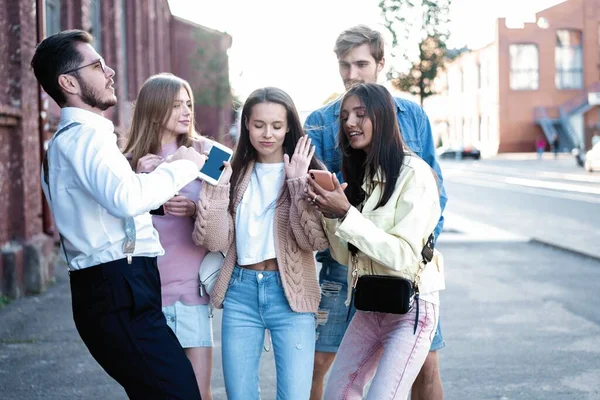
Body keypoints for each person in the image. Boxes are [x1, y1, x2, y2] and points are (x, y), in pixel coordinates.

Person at [31, 30, 205, 399]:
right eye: (96, 65)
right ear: (68, 82)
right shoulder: (84, 138)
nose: (109, 71)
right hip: (117, 286)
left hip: (118, 286)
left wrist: (155, 198)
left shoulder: (77, 139)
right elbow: (124, 199)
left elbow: (103, 207)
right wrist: (180, 166)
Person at [303, 25, 447, 400]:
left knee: (424, 366)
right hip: (344, 264)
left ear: (381, 64)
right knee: (321, 362)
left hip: (404, 270)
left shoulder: (412, 117)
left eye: (361, 63)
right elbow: (318, 202)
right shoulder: (320, 120)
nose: (351, 74)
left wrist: (422, 247)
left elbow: (435, 192)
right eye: (344, 65)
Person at [192, 87, 330, 399]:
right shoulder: (223, 165)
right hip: (240, 294)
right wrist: (216, 189)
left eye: (277, 126)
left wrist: (297, 186)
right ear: (246, 126)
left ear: (289, 128)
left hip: (291, 294)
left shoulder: (309, 172)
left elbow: (315, 241)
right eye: (258, 125)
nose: (267, 134)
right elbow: (212, 239)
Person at [122, 73, 216, 399]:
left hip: (193, 292)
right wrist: (141, 180)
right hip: (147, 297)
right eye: (176, 105)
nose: (186, 111)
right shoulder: (129, 162)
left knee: (200, 393)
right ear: (154, 108)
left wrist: (195, 210)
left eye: (188, 103)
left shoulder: (206, 151)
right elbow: (114, 225)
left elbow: (232, 205)